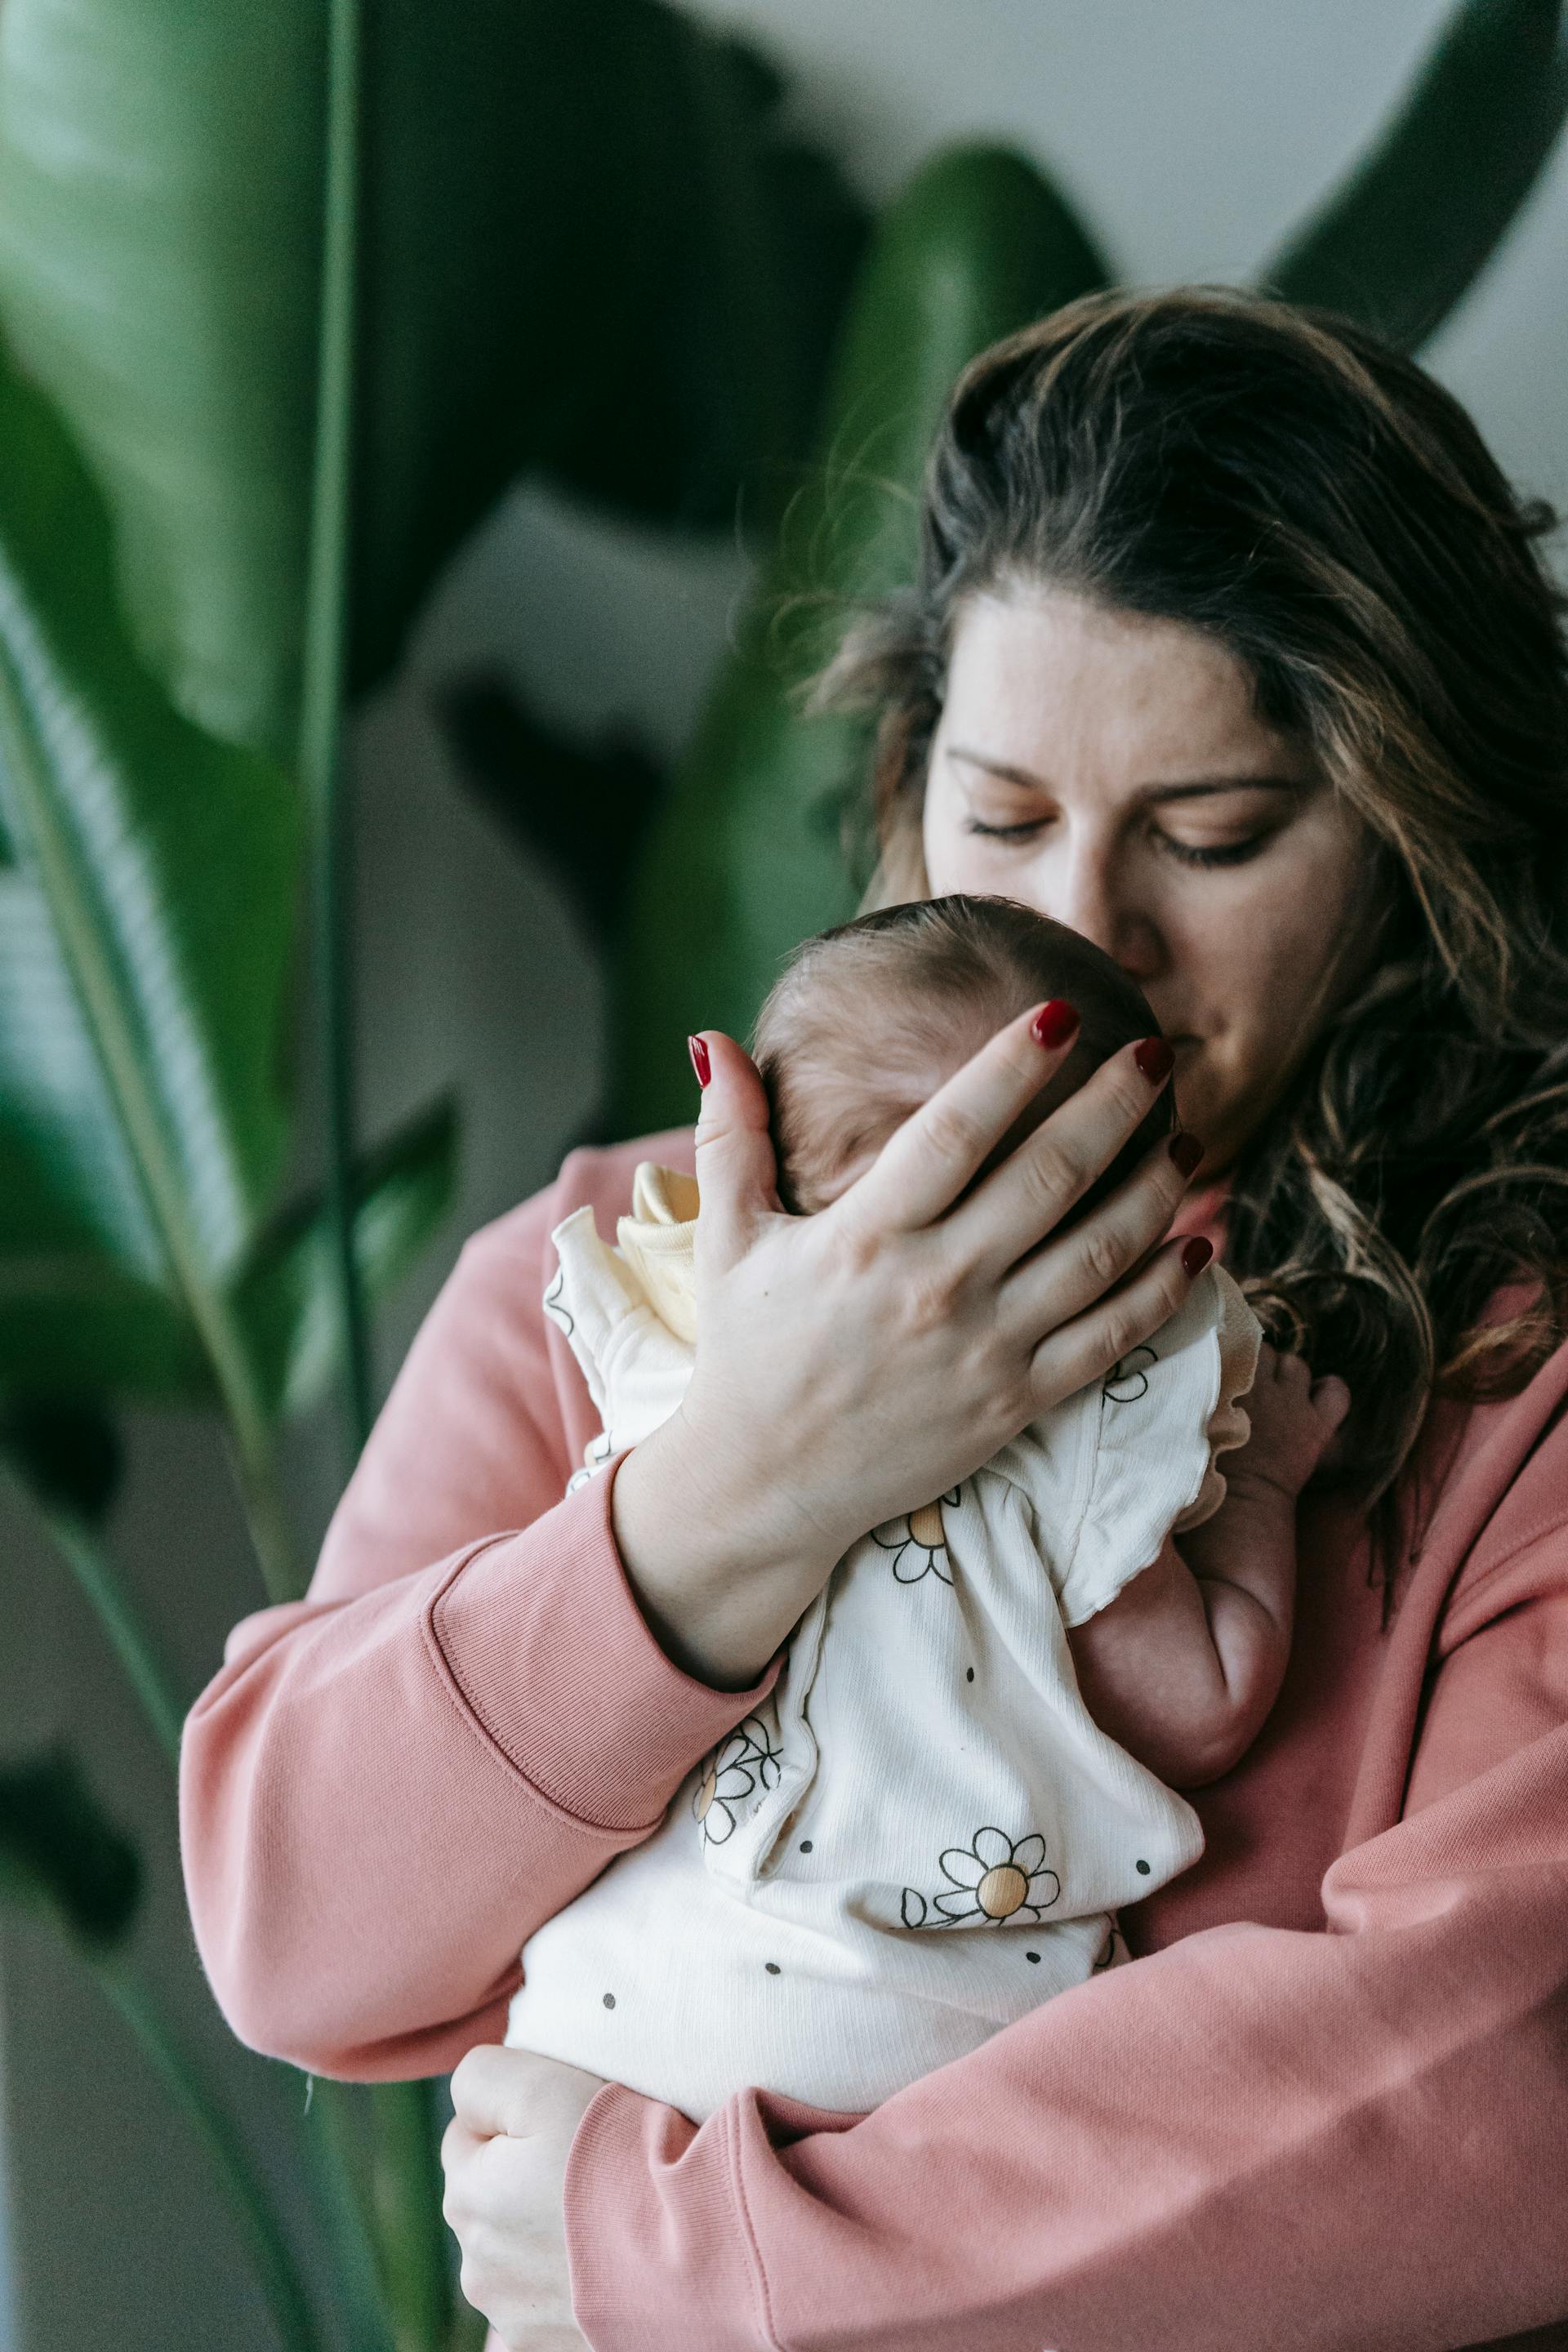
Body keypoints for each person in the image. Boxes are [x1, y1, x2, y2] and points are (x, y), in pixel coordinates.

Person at [180, 287, 1568, 2351]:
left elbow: (1502, 2099)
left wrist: (702, 2256)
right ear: (907, 788)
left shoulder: (1505, 1390)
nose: (1083, 940)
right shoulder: (602, 1278)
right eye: (1002, 820)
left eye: (1213, 836)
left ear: (1408, 846)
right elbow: (296, 1932)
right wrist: (739, 1487)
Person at [506, 895, 1340, 2123]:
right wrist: (1263, 1481)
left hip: (599, 2028)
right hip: (899, 2045)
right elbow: (1199, 1710)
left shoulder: (662, 1351)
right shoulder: (1072, 1444)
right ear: (1104, 1236)